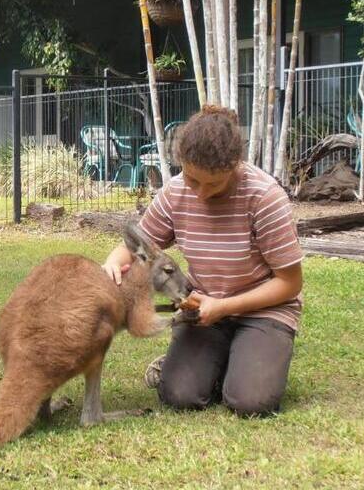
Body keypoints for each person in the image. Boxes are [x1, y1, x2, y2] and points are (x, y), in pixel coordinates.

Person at [102, 106, 304, 417]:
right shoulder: (176, 191)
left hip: (264, 311)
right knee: (178, 395)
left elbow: (290, 284)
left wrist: (223, 307)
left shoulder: (264, 197)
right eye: (193, 180)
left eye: (213, 185)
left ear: (235, 166)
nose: (200, 193)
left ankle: (246, 358)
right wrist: (114, 262)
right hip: (204, 311)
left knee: (250, 402)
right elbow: (137, 244)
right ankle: (215, 361)